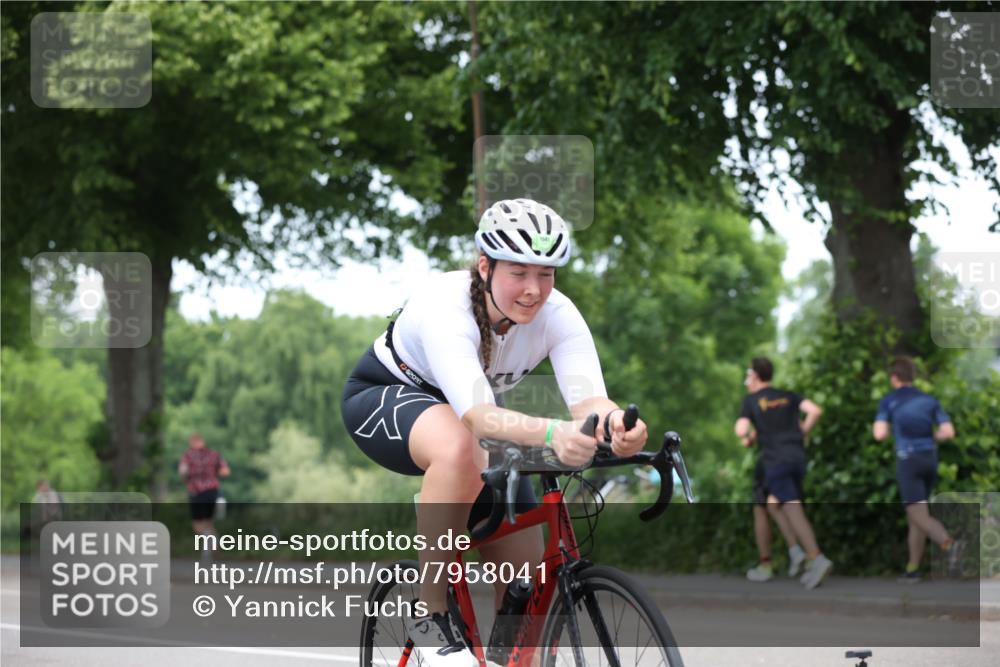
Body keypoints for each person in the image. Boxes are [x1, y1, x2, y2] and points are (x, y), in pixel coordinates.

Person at [341, 198, 649, 667]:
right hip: (389, 395)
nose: (533, 289)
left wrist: (619, 428)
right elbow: (480, 418)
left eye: (546, 274)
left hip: (473, 416)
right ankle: (429, 613)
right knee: (460, 445)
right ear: (484, 266)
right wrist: (553, 435)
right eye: (518, 273)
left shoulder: (559, 315)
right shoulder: (448, 306)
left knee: (527, 574)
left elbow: (590, 402)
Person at [734, 357, 832, 589]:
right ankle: (796, 552)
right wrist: (802, 432)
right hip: (797, 456)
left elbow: (740, 429)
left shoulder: (751, 400)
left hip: (775, 460)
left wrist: (746, 436)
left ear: (755, 376)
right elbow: (815, 411)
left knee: (791, 506)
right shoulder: (788, 395)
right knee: (773, 503)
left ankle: (816, 557)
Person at [873, 356, 960, 582]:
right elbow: (948, 432)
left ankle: (949, 544)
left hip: (908, 459)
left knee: (916, 514)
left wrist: (894, 433)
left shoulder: (889, 400)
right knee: (917, 517)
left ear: (894, 377)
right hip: (929, 458)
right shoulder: (928, 400)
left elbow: (879, 434)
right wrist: (931, 436)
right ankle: (913, 568)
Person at [744, 454, 806, 583]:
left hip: (772, 455)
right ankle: (797, 551)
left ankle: (766, 565)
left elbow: (744, 435)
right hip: (794, 455)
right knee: (775, 504)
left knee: (760, 508)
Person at [178, 433, 230, 553]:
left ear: (191, 443)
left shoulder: (188, 456)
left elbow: (183, 472)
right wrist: (212, 473)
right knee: (208, 522)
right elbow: (225, 471)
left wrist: (188, 480)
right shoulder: (214, 454)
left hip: (196, 492)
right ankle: (214, 542)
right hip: (212, 491)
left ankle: (211, 541)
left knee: (197, 525)